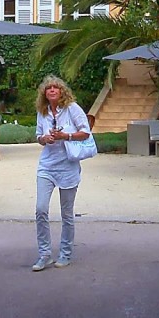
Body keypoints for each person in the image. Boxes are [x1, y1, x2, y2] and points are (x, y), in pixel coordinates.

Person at [32, 75, 91, 271]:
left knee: (66, 213)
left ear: (61, 91)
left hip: (68, 165)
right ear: (44, 93)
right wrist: (45, 138)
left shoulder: (72, 108)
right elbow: (38, 136)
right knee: (41, 209)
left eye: (55, 88)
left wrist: (66, 136)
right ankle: (44, 254)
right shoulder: (43, 112)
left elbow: (86, 132)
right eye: (48, 88)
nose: (52, 91)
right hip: (47, 165)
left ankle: (65, 253)